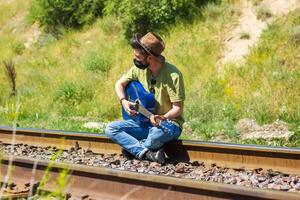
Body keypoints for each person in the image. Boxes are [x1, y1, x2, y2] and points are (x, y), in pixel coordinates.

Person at [105, 32, 185, 164]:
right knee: (111, 128)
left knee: (155, 134)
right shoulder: (138, 70)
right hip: (143, 122)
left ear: (149, 58)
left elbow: (178, 109)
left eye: (138, 56)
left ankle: (134, 149)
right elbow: (119, 84)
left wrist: (163, 117)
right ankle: (147, 153)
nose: (135, 58)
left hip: (168, 124)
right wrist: (123, 101)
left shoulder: (173, 75)